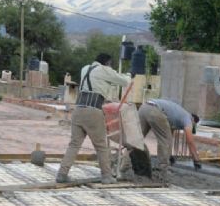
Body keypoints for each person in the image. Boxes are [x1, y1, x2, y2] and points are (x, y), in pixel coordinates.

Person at [57, 53, 130, 184]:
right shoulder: (104, 70)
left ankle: (62, 174)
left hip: (78, 109)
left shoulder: (85, 69)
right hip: (93, 110)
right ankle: (107, 176)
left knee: (74, 144)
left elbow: (99, 82)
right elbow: (124, 81)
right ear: (107, 63)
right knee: (101, 146)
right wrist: (130, 76)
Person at [137, 98, 202, 179]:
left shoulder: (177, 114)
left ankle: (123, 167)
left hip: (144, 108)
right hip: (155, 110)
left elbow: (168, 133)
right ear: (193, 120)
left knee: (136, 139)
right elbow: (190, 141)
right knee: (165, 141)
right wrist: (196, 159)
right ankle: (163, 171)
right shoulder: (188, 118)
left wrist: (169, 155)